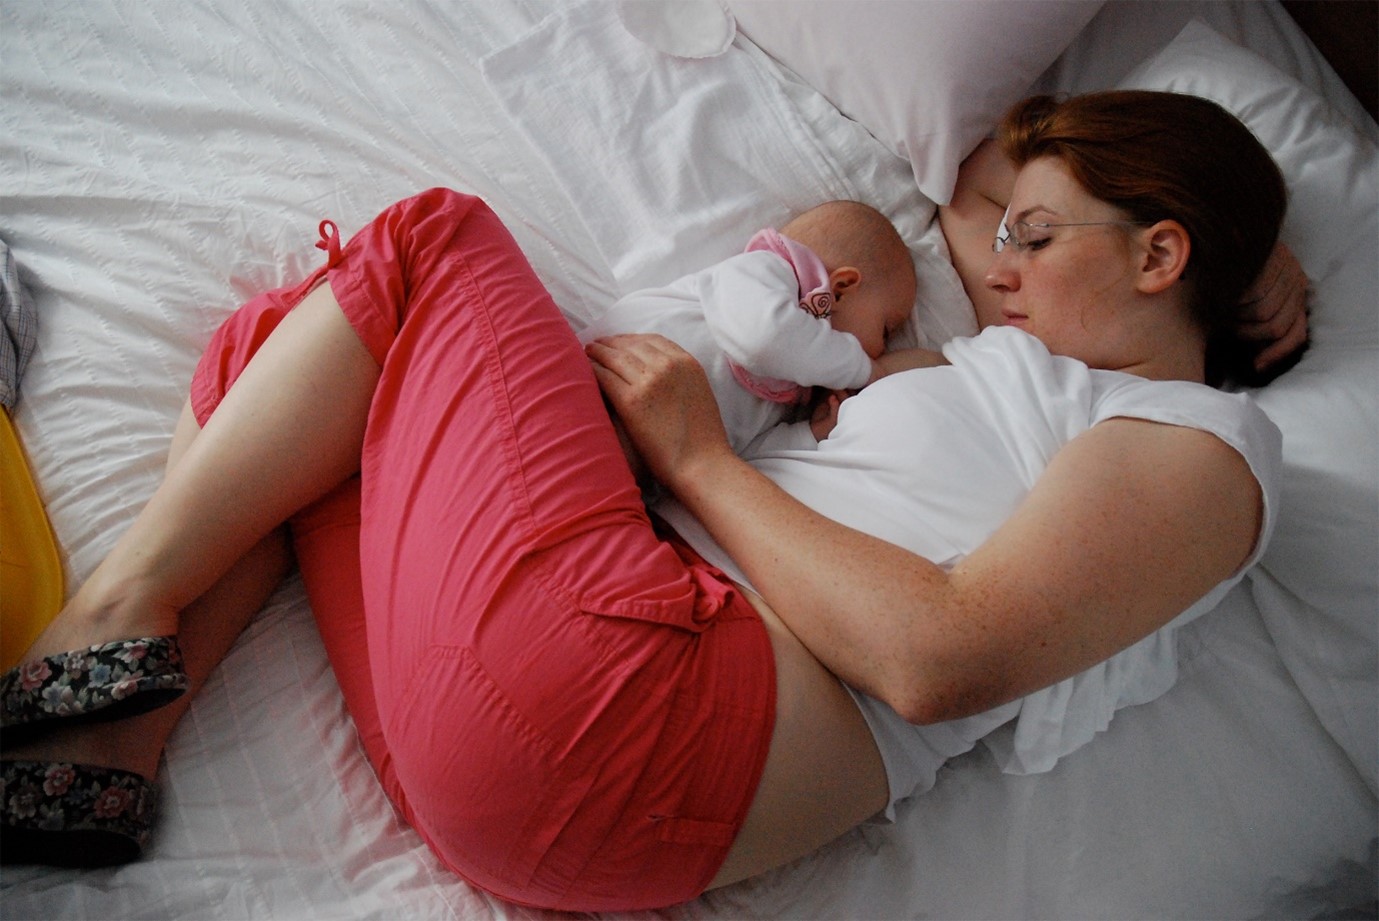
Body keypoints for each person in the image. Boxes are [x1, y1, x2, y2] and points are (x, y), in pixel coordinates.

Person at [0, 90, 1305, 912]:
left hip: (646, 717)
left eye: (1032, 242)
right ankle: (122, 734)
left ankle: (118, 611)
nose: (993, 263)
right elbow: (973, 171)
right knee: (279, 354)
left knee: (430, 245)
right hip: (529, 774)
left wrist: (699, 462)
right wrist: (1216, 233)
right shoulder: (1014, 370)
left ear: (1156, 254)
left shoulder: (1202, 443)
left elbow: (937, 655)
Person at [578, 199, 933, 464]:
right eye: (886, 330)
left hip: (626, 465)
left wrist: (809, 434)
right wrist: (868, 371)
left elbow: (744, 456)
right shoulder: (763, 273)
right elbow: (763, 340)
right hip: (587, 391)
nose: (881, 349)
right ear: (841, 287)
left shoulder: (792, 391)